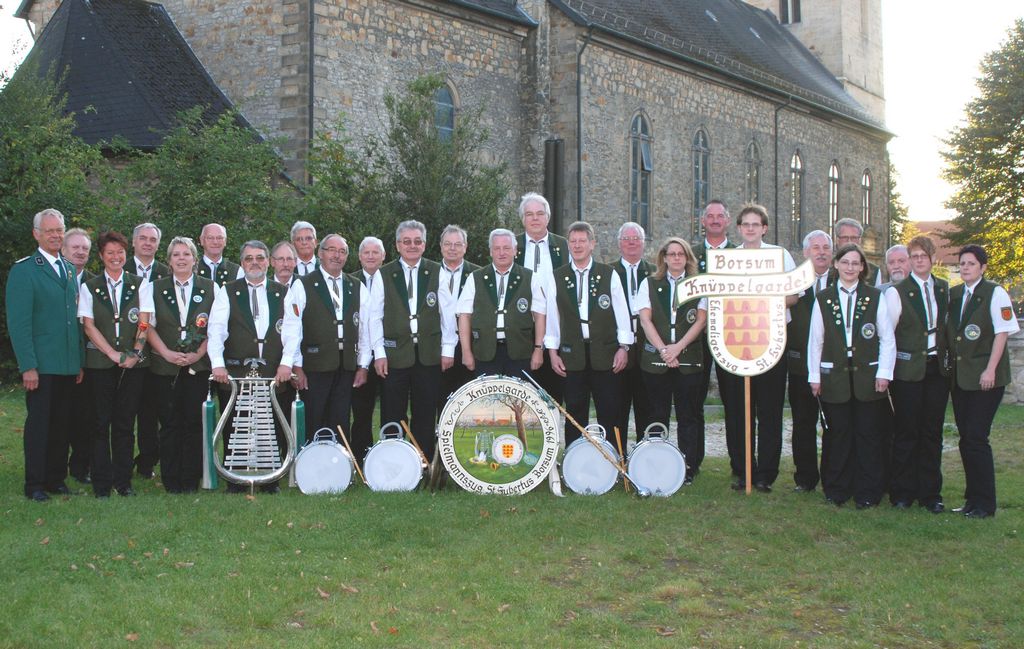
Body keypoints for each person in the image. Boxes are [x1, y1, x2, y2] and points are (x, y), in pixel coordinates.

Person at [808, 244, 895, 508]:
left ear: (862, 268)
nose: (849, 267)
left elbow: (887, 338)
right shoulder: (824, 298)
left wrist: (884, 373)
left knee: (868, 435)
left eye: (855, 263)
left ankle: (868, 491)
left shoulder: (875, 296)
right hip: (834, 376)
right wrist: (815, 376)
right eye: (845, 262)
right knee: (837, 435)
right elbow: (816, 340)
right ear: (836, 264)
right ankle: (836, 488)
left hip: (868, 376)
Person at [6, 208, 82, 501]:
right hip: (41, 364)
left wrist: (78, 362)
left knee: (62, 424)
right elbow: (19, 324)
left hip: (66, 364)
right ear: (36, 234)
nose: (55, 235)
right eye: (49, 231)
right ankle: (34, 484)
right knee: (39, 425)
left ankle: (56, 479)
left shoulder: (68, 269)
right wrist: (28, 366)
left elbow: (73, 321)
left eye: (59, 230)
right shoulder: (25, 270)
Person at [944, 244, 1019, 518]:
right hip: (962, 379)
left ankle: (985, 504)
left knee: (976, 437)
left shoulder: (995, 293)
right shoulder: (954, 294)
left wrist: (990, 370)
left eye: (971, 263)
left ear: (983, 267)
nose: (965, 267)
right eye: (962, 263)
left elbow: (1002, 333)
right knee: (967, 440)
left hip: (987, 379)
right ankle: (971, 500)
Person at [209, 240, 290, 493]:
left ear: (268, 261)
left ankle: (270, 480)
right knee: (235, 424)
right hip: (235, 372)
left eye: (259, 258)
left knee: (272, 425)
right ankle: (235, 479)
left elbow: (293, 332)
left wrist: (287, 364)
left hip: (273, 372)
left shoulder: (284, 291)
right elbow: (216, 330)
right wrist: (218, 365)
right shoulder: (228, 291)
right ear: (242, 263)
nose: (254, 262)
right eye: (248, 259)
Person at [369, 221, 452, 461]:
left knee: (425, 411)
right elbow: (375, 317)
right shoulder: (384, 274)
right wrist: (379, 353)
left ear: (424, 245)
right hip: (395, 355)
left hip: (428, 354)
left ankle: (422, 462)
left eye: (417, 241)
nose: (412, 246)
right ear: (397, 245)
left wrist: (447, 350)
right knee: (392, 411)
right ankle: (392, 462)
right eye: (407, 241)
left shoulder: (437, 271)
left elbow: (447, 314)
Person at [729, 204, 797, 493]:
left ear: (765, 228)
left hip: (771, 340)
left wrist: (761, 305)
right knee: (738, 409)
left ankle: (765, 474)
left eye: (756, 224)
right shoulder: (729, 259)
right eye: (746, 224)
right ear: (740, 228)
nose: (751, 228)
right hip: (736, 343)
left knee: (769, 410)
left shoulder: (780, 256)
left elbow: (793, 295)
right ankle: (743, 470)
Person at [544, 221, 633, 446]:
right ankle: (575, 460)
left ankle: (614, 459)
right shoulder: (557, 276)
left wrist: (624, 348)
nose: (577, 245)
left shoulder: (608, 274)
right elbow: (553, 317)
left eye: (582, 241)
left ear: (592, 244)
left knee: (609, 409)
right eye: (573, 241)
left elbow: (621, 312)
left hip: (605, 353)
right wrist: (553, 352)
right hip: (572, 355)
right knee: (574, 411)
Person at [78, 231, 153, 498]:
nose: (116, 257)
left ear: (126, 254)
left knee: (124, 423)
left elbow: (144, 320)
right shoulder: (90, 286)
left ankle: (123, 482)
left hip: (133, 364)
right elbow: (89, 326)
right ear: (101, 256)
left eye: (120, 252)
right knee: (100, 423)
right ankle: (101, 483)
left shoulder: (140, 283)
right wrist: (111, 353)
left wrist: (135, 350)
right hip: (100, 363)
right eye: (110, 253)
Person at [277, 235, 371, 445]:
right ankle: (310, 469)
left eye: (342, 251)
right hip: (314, 366)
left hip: (345, 366)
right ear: (320, 253)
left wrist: (363, 365)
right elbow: (293, 328)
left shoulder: (356, 286)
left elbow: (365, 329)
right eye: (331, 250)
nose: (336, 255)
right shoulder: (303, 285)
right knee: (314, 418)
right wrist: (296, 366)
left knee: (340, 420)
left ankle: (338, 467)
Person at [145, 237, 216, 493]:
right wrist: (164, 352)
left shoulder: (210, 288)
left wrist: (198, 354)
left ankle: (190, 479)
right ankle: (171, 479)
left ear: (195, 260)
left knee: (194, 423)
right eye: (176, 254)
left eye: (186, 254)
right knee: (169, 423)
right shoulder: (153, 288)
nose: (181, 259)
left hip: (198, 366)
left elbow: (216, 329)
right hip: (165, 368)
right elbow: (147, 326)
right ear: (169, 260)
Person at [886, 235, 949, 513]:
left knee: (932, 433)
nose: (919, 260)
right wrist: (886, 372)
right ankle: (902, 492)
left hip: (937, 369)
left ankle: (930, 493)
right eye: (914, 256)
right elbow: (887, 335)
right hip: (908, 370)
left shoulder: (945, 289)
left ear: (932, 258)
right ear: (910, 261)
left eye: (923, 255)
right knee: (907, 432)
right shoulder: (897, 292)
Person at [636, 237, 706, 482]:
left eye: (681, 254)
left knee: (688, 416)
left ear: (687, 258)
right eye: (671, 254)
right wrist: (664, 350)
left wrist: (678, 348)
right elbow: (645, 319)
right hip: (656, 361)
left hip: (689, 359)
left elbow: (700, 320)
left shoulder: (698, 285)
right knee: (657, 415)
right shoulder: (649, 283)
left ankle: (688, 467)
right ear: (664, 258)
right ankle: (657, 465)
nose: (676, 258)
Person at [692, 200, 742, 482]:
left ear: (727, 221)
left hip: (731, 334)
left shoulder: (739, 254)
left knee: (734, 402)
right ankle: (694, 461)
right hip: (696, 336)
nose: (714, 220)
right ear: (702, 222)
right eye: (709, 216)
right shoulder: (691, 254)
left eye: (719, 216)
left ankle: (739, 465)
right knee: (694, 401)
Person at [457, 228, 546, 378]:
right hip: (485, 353)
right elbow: (464, 316)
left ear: (515, 250)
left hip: (520, 354)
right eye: (497, 248)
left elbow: (540, 316)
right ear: (491, 251)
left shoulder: (530, 277)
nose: (501, 252)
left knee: (516, 401)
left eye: (506, 248)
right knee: (488, 400)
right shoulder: (475, 278)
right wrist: (466, 352)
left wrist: (538, 350)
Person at [786, 230, 835, 493]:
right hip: (800, 364)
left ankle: (832, 476)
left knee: (834, 424)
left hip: (834, 366)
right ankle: (805, 479)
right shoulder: (793, 282)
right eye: (815, 247)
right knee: (803, 424)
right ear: (805, 252)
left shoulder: (841, 279)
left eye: (825, 247)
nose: (821, 251)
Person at [125, 223, 169, 479]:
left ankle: (148, 460)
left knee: (154, 411)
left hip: (159, 354)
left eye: (153, 239)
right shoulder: (121, 268)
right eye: (143, 238)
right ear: (133, 242)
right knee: (129, 411)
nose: (147, 243)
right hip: (128, 353)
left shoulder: (165, 272)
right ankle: (122, 459)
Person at [515, 192, 567, 404]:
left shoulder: (563, 246)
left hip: (557, 328)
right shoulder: (512, 246)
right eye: (529, 214)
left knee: (553, 397)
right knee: (521, 396)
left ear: (548, 217)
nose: (535, 218)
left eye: (539, 213)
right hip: (521, 329)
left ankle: (553, 435)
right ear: (522, 219)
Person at [613, 221, 654, 441]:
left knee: (646, 407)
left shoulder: (654, 272)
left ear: (643, 244)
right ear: (619, 244)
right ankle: (618, 457)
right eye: (627, 239)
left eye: (636, 239)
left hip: (647, 347)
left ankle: (644, 458)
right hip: (618, 348)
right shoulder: (607, 272)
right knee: (617, 408)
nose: (631, 243)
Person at [62, 227, 95, 485]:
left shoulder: (96, 283)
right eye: (75, 247)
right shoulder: (56, 277)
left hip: (91, 360)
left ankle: (81, 465)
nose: (80, 251)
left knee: (87, 416)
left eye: (84, 248)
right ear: (63, 249)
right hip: (61, 359)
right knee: (61, 416)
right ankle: (55, 466)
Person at [437, 225, 479, 414]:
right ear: (440, 246)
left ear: (466, 246)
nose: (452, 248)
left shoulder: (478, 274)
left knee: (468, 399)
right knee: (440, 397)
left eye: (457, 244)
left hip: (469, 345)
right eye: (448, 244)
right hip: (438, 343)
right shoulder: (429, 273)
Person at [350, 236, 386, 459]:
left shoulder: (393, 280)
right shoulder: (349, 281)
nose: (371, 256)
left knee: (391, 409)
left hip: (387, 355)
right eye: (367, 252)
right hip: (360, 357)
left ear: (384, 256)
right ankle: (360, 456)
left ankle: (386, 455)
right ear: (360, 256)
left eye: (376, 252)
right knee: (361, 411)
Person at [834, 218, 883, 287]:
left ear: (859, 240)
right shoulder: (826, 269)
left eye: (854, 238)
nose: (849, 241)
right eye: (845, 238)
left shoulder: (874, 271)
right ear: (837, 240)